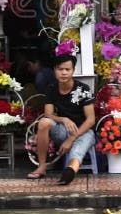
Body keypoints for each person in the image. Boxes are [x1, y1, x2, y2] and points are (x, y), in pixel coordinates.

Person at [27, 54, 95, 185]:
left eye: (67, 69)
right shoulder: (51, 89)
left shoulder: (83, 90)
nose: (64, 73)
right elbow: (48, 115)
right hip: (63, 130)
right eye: (60, 69)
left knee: (77, 150)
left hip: (83, 131)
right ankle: (42, 167)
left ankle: (70, 171)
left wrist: (71, 139)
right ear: (54, 70)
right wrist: (63, 119)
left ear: (73, 71)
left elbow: (91, 120)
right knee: (44, 122)